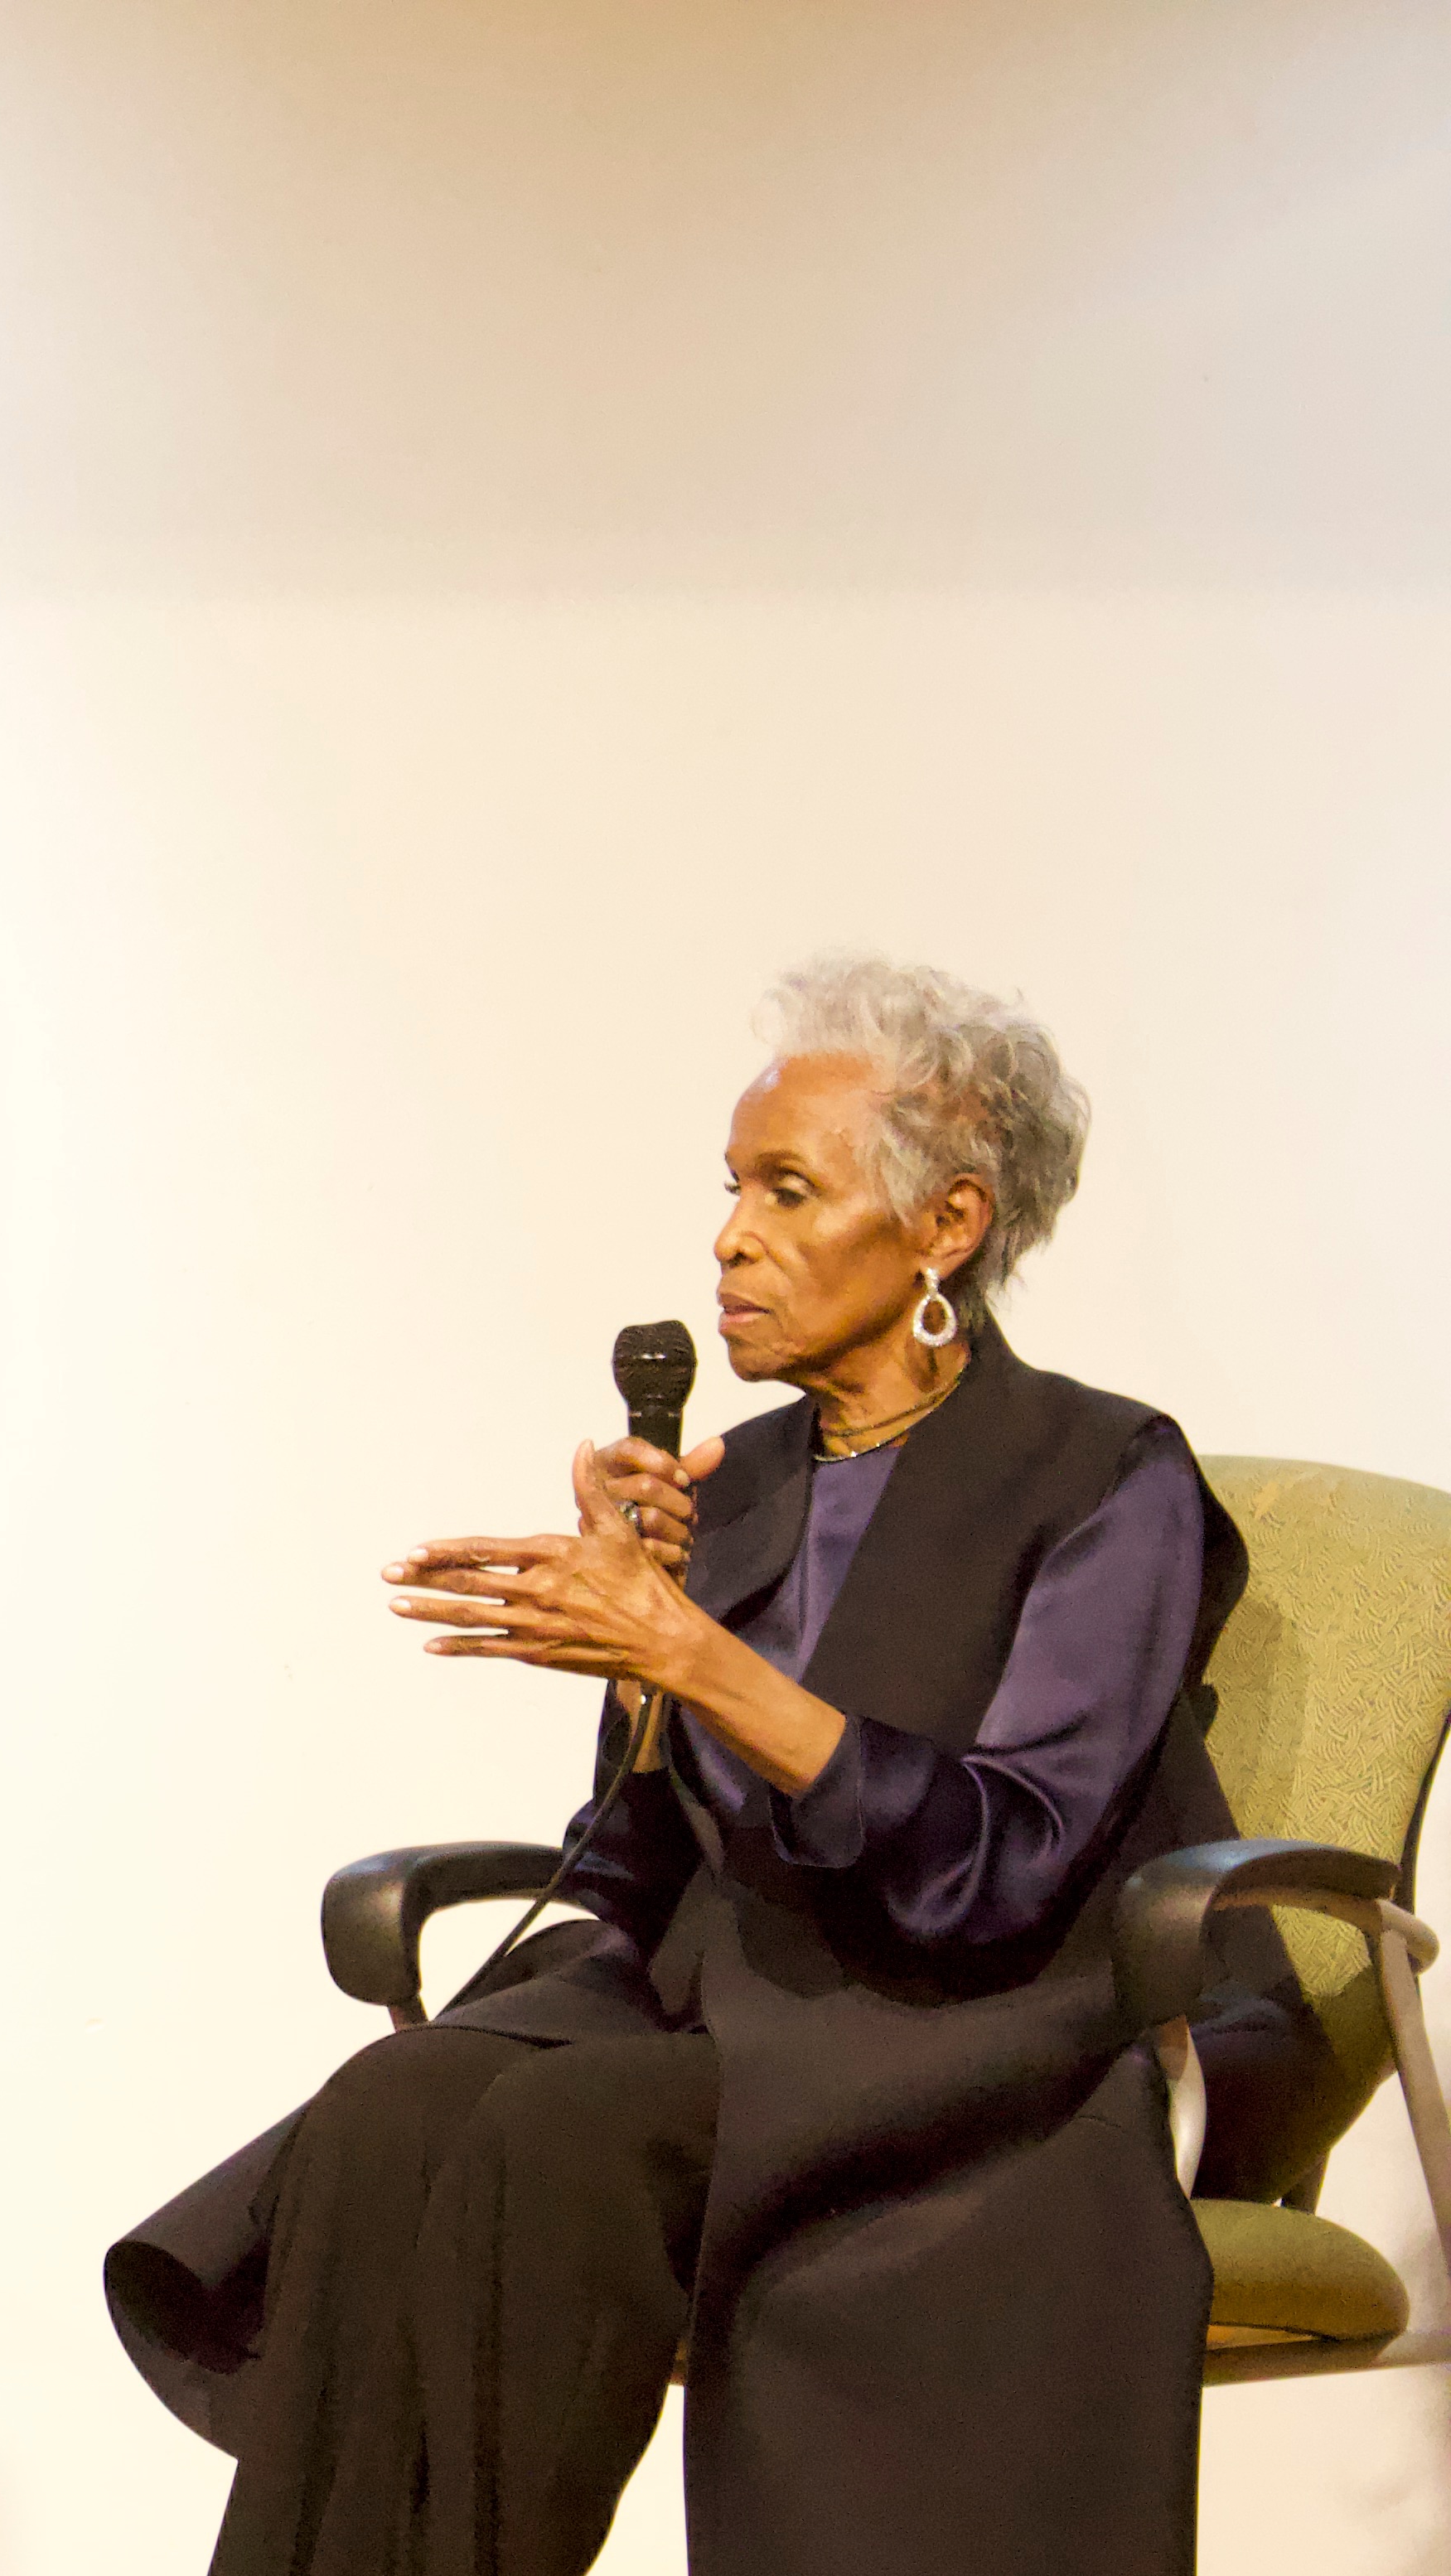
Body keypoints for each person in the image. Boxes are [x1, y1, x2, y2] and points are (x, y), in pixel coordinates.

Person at [105, 954, 1324, 2576]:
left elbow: (1008, 1857)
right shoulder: (734, 1482)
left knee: (553, 2140)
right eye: (731, 1187)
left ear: (947, 1228)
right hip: (732, 1997)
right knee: (399, 2100)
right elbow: (630, 1869)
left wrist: (691, 1651)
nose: (727, 1238)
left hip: (989, 2024)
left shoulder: (1104, 1476)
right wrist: (641, 1658)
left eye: (785, 1190)